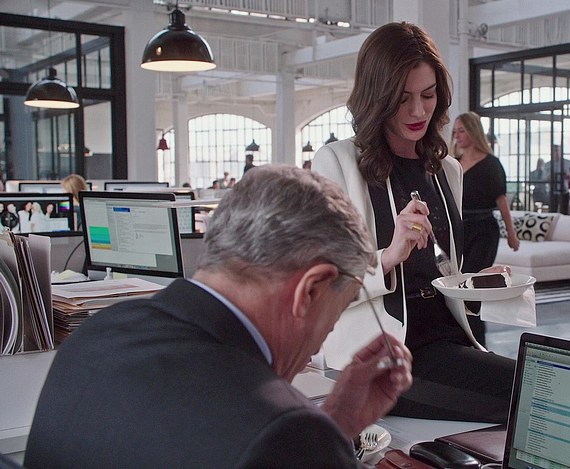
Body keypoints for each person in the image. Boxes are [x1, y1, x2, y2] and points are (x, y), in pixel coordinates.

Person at [24, 165, 413, 468]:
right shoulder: (284, 432)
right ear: (310, 290)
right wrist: (322, 441)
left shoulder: (95, 333)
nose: (327, 332)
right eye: (339, 308)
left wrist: (335, 422)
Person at [313, 21, 515, 423]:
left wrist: (477, 283)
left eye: (428, 94)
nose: (419, 111)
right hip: (383, 359)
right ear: (377, 97)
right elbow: (323, 285)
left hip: (448, 341)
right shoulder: (336, 162)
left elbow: (441, 274)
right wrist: (389, 255)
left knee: (541, 382)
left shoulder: (446, 170)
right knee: (534, 393)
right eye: (402, 98)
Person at [451, 111, 520, 344]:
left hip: (483, 230)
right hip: (458, 230)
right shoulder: (453, 163)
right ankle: (462, 336)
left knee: (473, 282)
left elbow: (502, 201)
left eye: (462, 131)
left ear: (473, 132)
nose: (457, 136)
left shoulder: (491, 164)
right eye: (455, 131)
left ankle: (476, 339)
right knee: (457, 282)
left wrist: (511, 234)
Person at [546, 144, 570, 214]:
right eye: (554, 151)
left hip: (564, 190)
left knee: (564, 211)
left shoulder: (568, 163)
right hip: (553, 191)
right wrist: (550, 176)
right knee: (552, 211)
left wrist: (568, 175)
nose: (556, 153)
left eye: (558, 150)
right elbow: (544, 178)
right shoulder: (548, 164)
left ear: (561, 151)